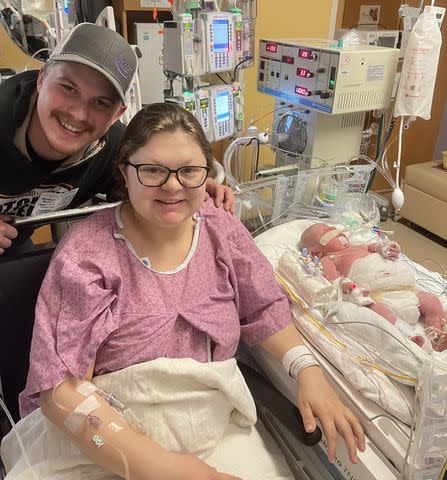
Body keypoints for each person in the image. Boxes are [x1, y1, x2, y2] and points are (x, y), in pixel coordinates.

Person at [1, 104, 365, 480]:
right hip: (102, 441)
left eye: (189, 170)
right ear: (125, 172)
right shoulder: (86, 255)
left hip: (211, 430)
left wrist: (306, 370)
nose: (173, 185)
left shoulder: (220, 232)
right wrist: (162, 468)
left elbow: (264, 307)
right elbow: (61, 392)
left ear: (207, 175)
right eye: (153, 170)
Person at [0, 22, 234, 256]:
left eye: (101, 102)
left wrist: (192, 184)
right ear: (42, 79)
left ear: (117, 114)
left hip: (15, 240)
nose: (79, 114)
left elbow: (146, 186)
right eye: (68, 88)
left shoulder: (114, 150)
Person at [300, 223, 447, 352]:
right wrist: (345, 286)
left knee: (432, 301)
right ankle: (408, 335)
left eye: (335, 229)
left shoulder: (357, 247)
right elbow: (333, 280)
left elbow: (376, 247)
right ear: (316, 252)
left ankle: (435, 333)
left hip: (404, 288)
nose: (337, 231)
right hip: (379, 294)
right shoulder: (329, 258)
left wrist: (387, 248)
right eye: (329, 232)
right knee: (380, 312)